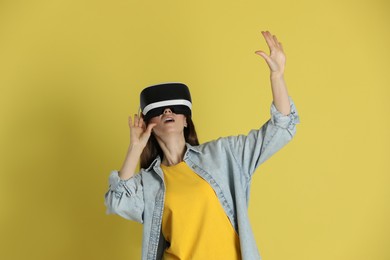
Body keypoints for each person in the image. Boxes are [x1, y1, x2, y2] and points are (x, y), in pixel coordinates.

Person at [104, 31, 300, 260]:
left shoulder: (224, 155)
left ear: (186, 120)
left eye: (176, 108)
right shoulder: (149, 183)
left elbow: (281, 129)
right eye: (159, 110)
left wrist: (277, 76)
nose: (168, 112)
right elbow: (118, 201)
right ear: (150, 124)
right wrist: (135, 148)